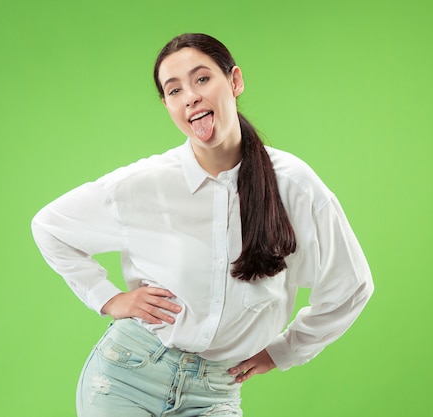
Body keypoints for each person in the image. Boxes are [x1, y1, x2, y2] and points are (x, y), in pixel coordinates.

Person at [31, 33, 374, 417]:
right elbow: (49, 226)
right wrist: (108, 298)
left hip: (215, 392)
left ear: (235, 81)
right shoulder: (146, 184)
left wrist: (285, 350)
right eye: (174, 90)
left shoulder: (293, 184)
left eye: (201, 79)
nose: (190, 96)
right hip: (127, 377)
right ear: (167, 105)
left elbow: (352, 285)